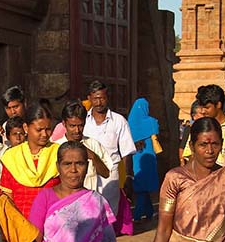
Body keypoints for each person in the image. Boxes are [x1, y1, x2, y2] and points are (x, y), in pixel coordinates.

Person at [0, 102, 60, 242]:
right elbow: (6, 198)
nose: (45, 134)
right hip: (20, 229)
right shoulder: (11, 158)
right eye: (39, 129)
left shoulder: (59, 153)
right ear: (26, 128)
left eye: (48, 129)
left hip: (53, 231)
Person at [83, 80, 136, 216]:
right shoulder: (83, 121)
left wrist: (128, 177)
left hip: (110, 175)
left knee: (108, 215)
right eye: (95, 99)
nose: (99, 102)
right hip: (87, 174)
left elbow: (127, 151)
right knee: (87, 214)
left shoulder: (119, 121)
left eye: (102, 98)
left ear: (107, 98)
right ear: (89, 98)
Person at [53, 100, 113, 192]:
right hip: (64, 201)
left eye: (80, 125)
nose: (77, 130)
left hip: (89, 201)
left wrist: (93, 156)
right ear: (64, 124)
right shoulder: (55, 146)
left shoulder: (93, 144)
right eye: (72, 126)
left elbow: (106, 173)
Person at [182, 84, 225, 164]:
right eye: (202, 108)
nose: (203, 111)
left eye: (207, 107)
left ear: (218, 105)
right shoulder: (199, 126)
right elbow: (189, 155)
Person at [127, 98, 160, 222]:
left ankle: (148, 211)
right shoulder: (150, 122)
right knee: (143, 189)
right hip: (149, 158)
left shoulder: (129, 123)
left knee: (141, 187)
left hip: (136, 158)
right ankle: (137, 214)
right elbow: (156, 126)